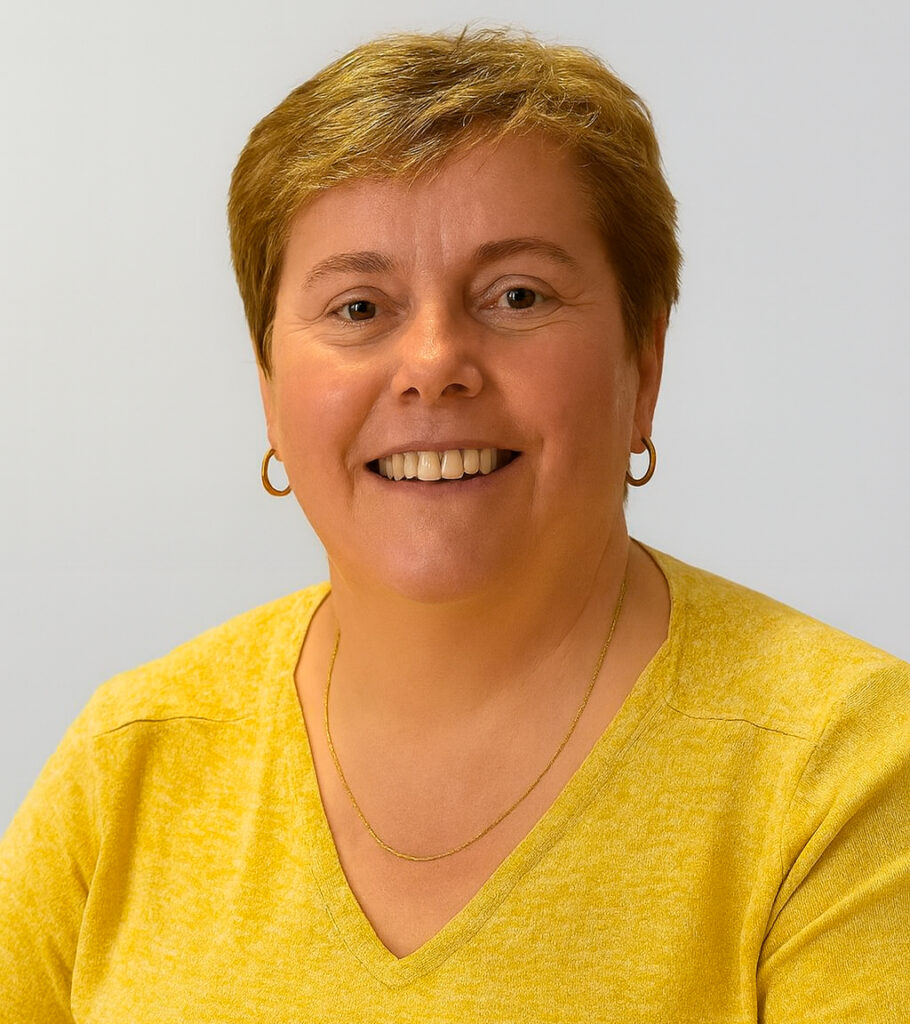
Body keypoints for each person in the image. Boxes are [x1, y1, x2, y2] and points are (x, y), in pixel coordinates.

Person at [1, 27, 907, 1023]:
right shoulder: (128, 762)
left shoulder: (844, 768)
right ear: (268, 390)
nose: (433, 363)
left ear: (643, 365)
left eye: (516, 295)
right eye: (358, 308)